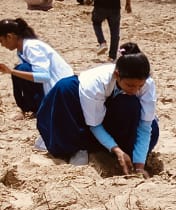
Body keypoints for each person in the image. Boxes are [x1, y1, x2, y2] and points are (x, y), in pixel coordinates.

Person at [36, 42, 159, 175]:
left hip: (110, 112)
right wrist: (116, 149)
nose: (135, 90)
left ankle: (121, 153)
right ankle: (79, 150)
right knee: (64, 89)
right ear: (117, 75)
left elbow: (145, 126)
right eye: (130, 85)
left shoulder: (146, 84)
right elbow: (95, 124)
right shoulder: (95, 83)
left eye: (139, 86)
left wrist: (139, 165)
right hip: (82, 110)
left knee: (147, 121)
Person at [0, 17, 73, 119]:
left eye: (1, 41)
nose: (2, 45)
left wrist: (12, 71)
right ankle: (28, 107)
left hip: (61, 87)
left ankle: (36, 107)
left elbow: (44, 76)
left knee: (20, 70)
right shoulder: (21, 50)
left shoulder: (31, 47)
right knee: (19, 72)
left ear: (9, 37)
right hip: (53, 86)